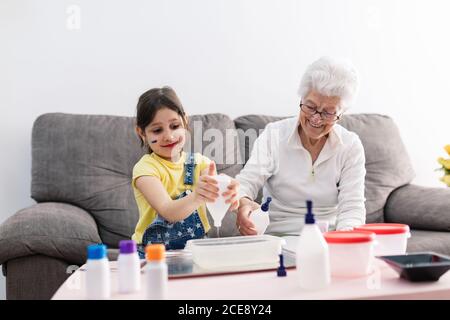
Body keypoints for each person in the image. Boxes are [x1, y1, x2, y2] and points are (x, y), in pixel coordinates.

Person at [235, 57, 366, 243]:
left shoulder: (350, 145)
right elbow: (245, 183)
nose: (316, 119)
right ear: (301, 98)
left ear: (341, 113)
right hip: (277, 238)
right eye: (310, 106)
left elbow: (352, 207)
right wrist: (242, 202)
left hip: (327, 238)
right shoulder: (274, 135)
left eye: (328, 112)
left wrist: (343, 242)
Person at [132, 86, 239, 257]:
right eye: (157, 130)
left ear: (185, 121)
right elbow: (168, 211)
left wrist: (227, 192)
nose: (169, 136)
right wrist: (198, 195)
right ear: (141, 132)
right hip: (152, 254)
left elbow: (216, 193)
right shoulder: (145, 169)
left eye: (174, 126)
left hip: (194, 251)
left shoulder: (201, 163)